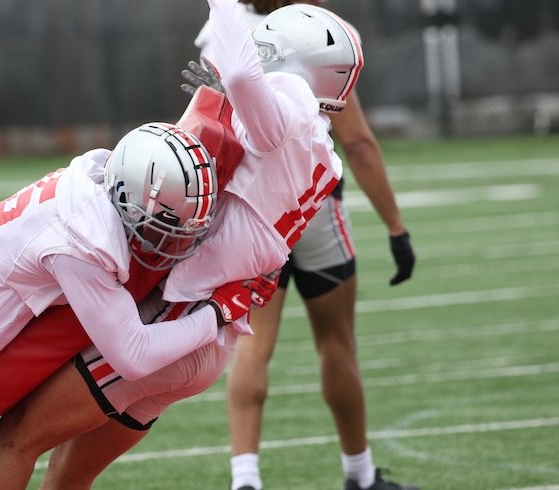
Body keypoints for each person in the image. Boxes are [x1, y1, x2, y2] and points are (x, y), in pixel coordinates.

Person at [0, 1, 355, 488]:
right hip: (203, 340)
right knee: (66, 478)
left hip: (174, 324)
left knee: (16, 442)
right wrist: (219, 101)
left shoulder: (289, 111)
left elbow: (242, 74)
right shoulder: (320, 149)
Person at [0, 121, 274, 490]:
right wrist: (216, 315)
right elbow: (134, 353)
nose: (176, 243)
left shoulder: (104, 173)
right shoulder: (82, 239)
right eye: (165, 227)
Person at [197, 1, 419, 490]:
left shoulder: (224, 30)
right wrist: (396, 228)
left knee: (252, 346)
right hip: (310, 205)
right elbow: (356, 141)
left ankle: (246, 479)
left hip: (252, 210)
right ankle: (360, 474)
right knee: (337, 343)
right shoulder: (320, 32)